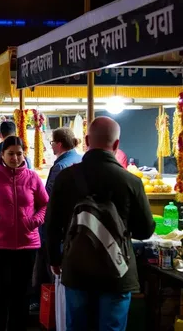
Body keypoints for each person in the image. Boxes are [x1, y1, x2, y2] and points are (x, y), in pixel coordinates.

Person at [45, 117, 155, 331]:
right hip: (117, 271)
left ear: (86, 140)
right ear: (116, 145)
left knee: (77, 326)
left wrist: (55, 259)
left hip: (76, 267)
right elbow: (145, 230)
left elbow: (52, 224)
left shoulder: (66, 177)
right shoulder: (131, 181)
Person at [0, 136, 48, 331]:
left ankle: (18, 326)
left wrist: (35, 221)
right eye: (11, 153)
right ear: (2, 155)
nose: (15, 157)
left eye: (19, 153)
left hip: (27, 243)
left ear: (24, 154)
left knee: (22, 292)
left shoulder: (32, 178)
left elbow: (45, 204)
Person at [31, 127, 83, 312]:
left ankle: (46, 307)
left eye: (52, 143)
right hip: (74, 228)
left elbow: (49, 201)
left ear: (59, 144)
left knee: (50, 269)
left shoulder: (60, 167)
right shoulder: (80, 160)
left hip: (56, 229)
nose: (51, 147)